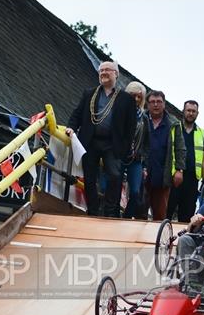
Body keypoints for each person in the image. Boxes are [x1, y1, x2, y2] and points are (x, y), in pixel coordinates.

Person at [66, 60, 136, 218]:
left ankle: (110, 212)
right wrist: (71, 127)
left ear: (115, 74)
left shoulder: (126, 99)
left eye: (107, 70)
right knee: (90, 178)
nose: (103, 73)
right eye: (101, 70)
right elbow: (77, 113)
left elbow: (130, 127)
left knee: (114, 175)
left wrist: (124, 147)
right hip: (90, 141)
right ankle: (93, 210)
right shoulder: (89, 93)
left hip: (113, 144)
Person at [143, 90, 185, 221]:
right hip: (143, 171)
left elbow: (180, 148)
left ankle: (155, 240)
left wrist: (179, 170)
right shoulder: (141, 119)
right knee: (140, 210)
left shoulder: (174, 124)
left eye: (159, 102)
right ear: (147, 104)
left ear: (164, 104)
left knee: (160, 213)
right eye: (152, 102)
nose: (156, 105)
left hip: (163, 174)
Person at [166, 100, 204, 223]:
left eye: (193, 111)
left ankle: (182, 241)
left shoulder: (201, 133)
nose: (190, 113)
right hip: (174, 177)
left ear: (197, 113)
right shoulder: (174, 128)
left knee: (187, 216)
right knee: (167, 211)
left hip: (192, 180)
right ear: (183, 111)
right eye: (188, 110)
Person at [122, 81, 150, 219]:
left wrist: (144, 162)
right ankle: (112, 215)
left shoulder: (144, 118)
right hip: (119, 156)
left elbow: (147, 142)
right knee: (112, 188)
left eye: (139, 97)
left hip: (136, 158)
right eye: (133, 95)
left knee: (135, 192)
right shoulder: (119, 112)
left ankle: (126, 217)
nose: (136, 99)